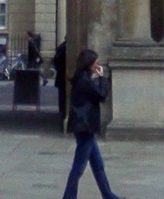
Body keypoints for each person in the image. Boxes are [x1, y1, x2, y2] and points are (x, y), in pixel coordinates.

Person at [62, 48, 124, 199]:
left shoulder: (83, 78)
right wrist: (102, 78)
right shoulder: (85, 81)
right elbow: (102, 96)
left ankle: (108, 196)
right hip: (86, 127)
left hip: (84, 126)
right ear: (89, 64)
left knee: (98, 166)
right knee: (79, 167)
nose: (98, 65)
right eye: (96, 63)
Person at [53, 37, 68, 122]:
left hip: (61, 74)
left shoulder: (61, 47)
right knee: (63, 94)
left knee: (62, 95)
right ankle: (64, 111)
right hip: (63, 74)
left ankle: (62, 111)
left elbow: (55, 60)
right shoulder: (65, 48)